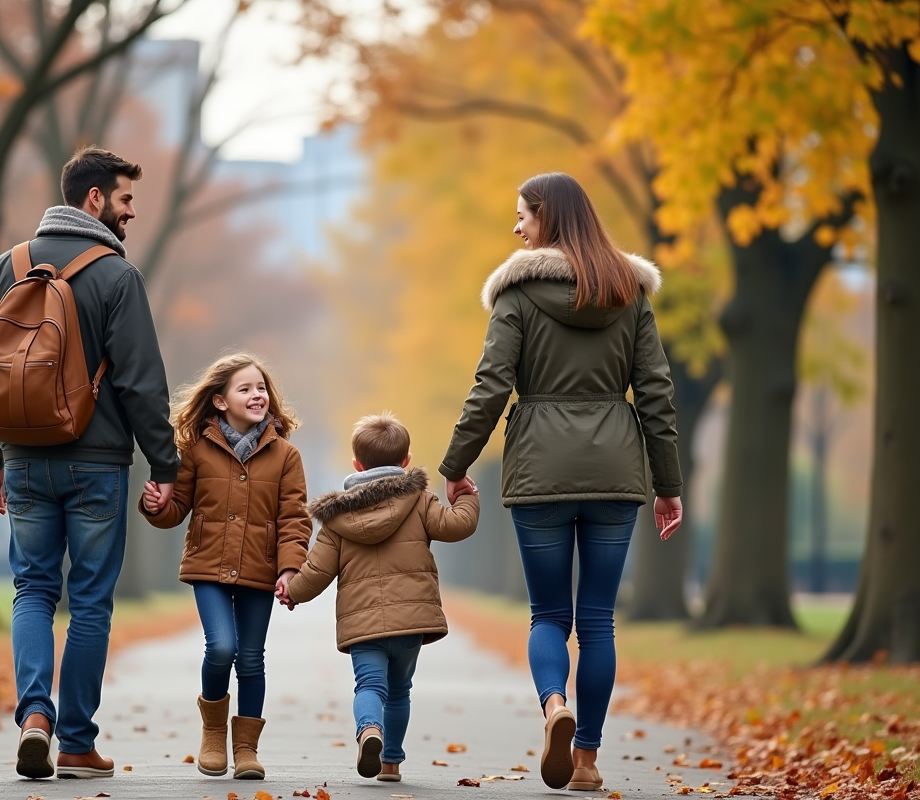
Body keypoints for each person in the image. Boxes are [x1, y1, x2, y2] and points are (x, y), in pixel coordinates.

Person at [439, 172, 684, 792]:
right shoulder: (629, 293)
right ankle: (587, 761)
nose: (515, 228)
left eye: (521, 215)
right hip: (614, 473)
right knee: (597, 620)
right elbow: (655, 391)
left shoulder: (517, 297)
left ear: (548, 217)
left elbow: (490, 386)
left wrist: (455, 464)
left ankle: (554, 705)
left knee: (549, 614)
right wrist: (669, 483)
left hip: (539, 472)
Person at [0, 146, 180, 780]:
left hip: (23, 458)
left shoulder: (6, 266)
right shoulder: (117, 275)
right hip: (97, 463)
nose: (131, 212)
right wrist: (163, 466)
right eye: (125, 198)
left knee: (32, 588)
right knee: (89, 601)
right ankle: (78, 744)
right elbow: (142, 381)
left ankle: (35, 715)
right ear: (94, 199)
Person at [278, 413, 480, 783]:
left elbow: (318, 571)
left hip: (363, 624)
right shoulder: (419, 500)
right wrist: (468, 496)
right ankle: (390, 763)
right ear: (405, 461)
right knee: (400, 691)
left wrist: (293, 591)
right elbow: (457, 525)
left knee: (370, 686)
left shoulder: (337, 516)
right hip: (411, 622)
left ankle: (369, 729)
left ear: (356, 464)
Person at [140, 353, 312, 781]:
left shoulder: (285, 455)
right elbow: (177, 506)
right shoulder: (197, 450)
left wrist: (291, 568)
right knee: (221, 648)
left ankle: (247, 749)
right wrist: (156, 507)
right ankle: (214, 732)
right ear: (219, 401)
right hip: (208, 566)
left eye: (261, 388)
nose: (257, 395)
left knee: (251, 659)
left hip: (260, 568)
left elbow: (295, 518)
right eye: (246, 388)